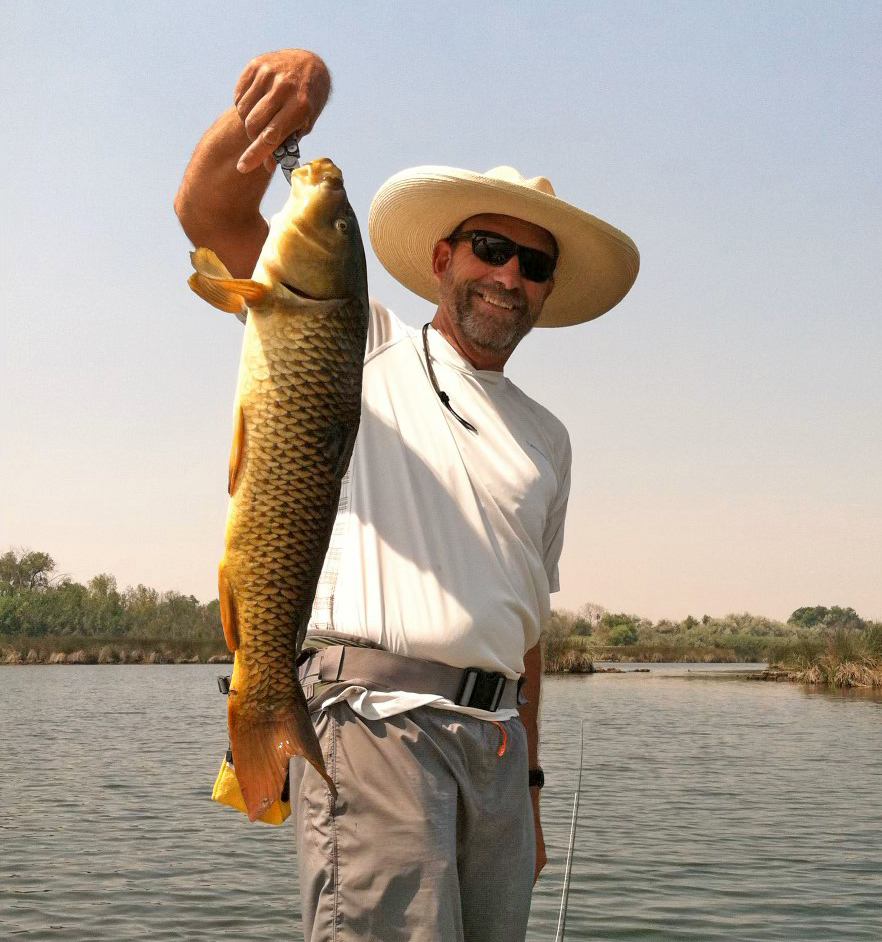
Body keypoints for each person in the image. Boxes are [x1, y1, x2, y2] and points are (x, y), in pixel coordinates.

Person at [175, 48, 638, 942]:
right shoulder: (358, 339)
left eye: (531, 265)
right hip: (377, 729)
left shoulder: (549, 438)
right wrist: (285, 96)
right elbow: (207, 209)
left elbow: (526, 631)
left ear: (544, 292)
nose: (508, 276)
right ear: (442, 259)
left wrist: (531, 789)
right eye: (490, 249)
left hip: (498, 752)